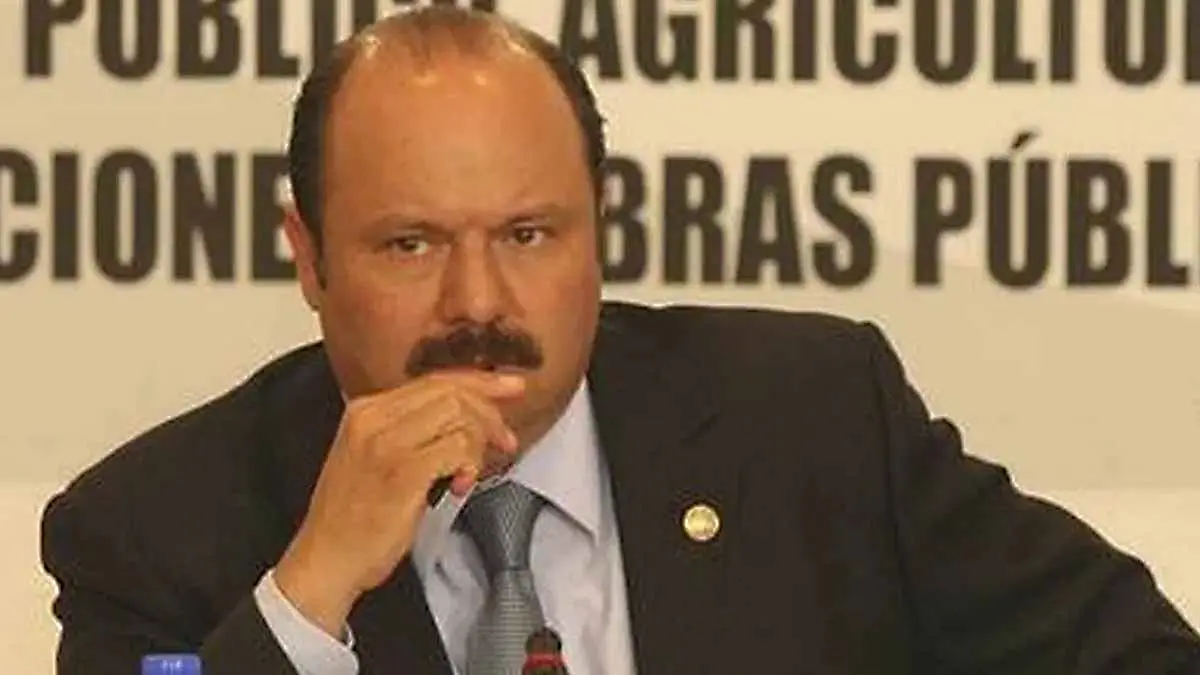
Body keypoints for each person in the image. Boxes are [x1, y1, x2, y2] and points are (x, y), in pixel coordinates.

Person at [39, 7, 1200, 675]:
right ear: (309, 257)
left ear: (603, 225)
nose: (476, 303)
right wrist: (310, 592)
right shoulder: (153, 529)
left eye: (529, 234)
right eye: (410, 244)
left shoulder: (815, 421)